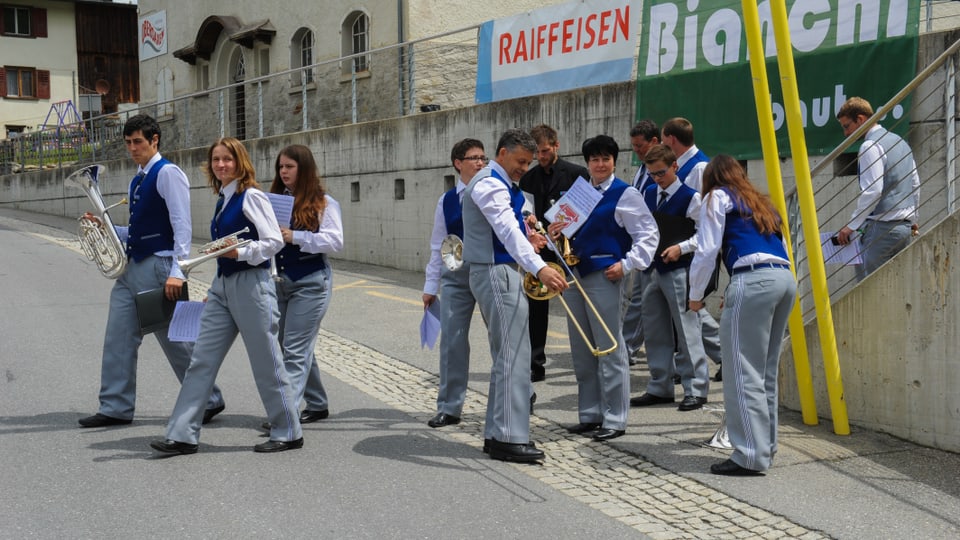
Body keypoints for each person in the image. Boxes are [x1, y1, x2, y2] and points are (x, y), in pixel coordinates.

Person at [150, 137, 302, 455]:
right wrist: (217, 288)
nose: (221, 165)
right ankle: (182, 434)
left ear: (240, 162)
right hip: (224, 286)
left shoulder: (252, 196)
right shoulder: (223, 198)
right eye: (216, 160)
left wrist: (242, 252)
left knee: (266, 362)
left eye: (227, 159)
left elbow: (273, 241)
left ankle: (288, 430)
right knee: (201, 361)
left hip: (253, 285)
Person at [78, 114, 226, 429]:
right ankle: (115, 406)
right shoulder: (139, 178)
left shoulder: (168, 173)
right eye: (128, 142)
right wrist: (106, 227)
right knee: (118, 337)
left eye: (138, 142)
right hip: (132, 268)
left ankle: (209, 399)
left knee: (177, 341)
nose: (132, 148)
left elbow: (182, 226)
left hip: (161, 266)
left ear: (154, 140)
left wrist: (179, 271)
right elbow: (139, 230)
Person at [462, 128, 567, 463]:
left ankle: (498, 433)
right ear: (503, 153)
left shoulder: (502, 183)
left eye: (528, 162)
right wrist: (540, 268)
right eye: (520, 161)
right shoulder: (491, 183)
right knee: (515, 357)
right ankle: (510, 436)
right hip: (497, 272)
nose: (524, 167)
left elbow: (511, 228)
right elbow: (506, 230)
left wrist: (532, 238)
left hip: (500, 270)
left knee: (508, 356)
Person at [688, 155, 796, 476]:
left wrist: (695, 296)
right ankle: (766, 446)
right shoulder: (761, 203)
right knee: (763, 372)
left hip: (752, 279)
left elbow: (707, 250)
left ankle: (749, 454)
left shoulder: (716, 197)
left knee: (740, 370)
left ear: (712, 178)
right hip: (783, 279)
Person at [547, 135, 658, 442]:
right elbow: (565, 234)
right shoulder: (579, 192)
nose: (599, 164)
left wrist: (627, 264)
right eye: (594, 159)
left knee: (610, 347)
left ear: (613, 161)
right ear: (587, 163)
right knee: (582, 350)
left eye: (605, 159)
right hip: (575, 274)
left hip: (605, 275)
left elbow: (649, 234)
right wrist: (554, 232)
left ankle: (615, 418)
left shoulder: (626, 194)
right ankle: (590, 414)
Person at [629, 144, 710, 412]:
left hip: (679, 269)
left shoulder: (691, 197)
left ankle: (696, 388)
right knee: (654, 330)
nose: (656, 179)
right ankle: (659, 385)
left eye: (661, 173)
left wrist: (681, 248)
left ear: (675, 166)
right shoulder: (650, 193)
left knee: (687, 331)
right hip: (652, 269)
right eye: (652, 174)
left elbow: (706, 236)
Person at [269, 144, 343, 425]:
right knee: (291, 346)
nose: (283, 171)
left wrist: (296, 237)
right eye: (280, 167)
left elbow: (335, 241)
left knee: (295, 348)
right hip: (280, 282)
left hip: (311, 282)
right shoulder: (274, 200)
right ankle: (318, 403)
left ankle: (286, 414)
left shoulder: (324, 202)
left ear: (304, 168)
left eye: (290, 166)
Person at [422, 139, 487, 428]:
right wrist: (429, 285)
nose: (480, 163)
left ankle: (521, 391)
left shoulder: (492, 191)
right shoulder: (446, 200)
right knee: (452, 340)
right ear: (458, 163)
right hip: (455, 273)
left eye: (483, 157)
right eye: (473, 158)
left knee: (504, 337)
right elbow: (438, 243)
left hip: (488, 270)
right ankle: (449, 406)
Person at [519, 124, 589, 383]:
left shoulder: (577, 174)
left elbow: (586, 209)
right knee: (536, 306)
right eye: (537, 152)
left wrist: (567, 228)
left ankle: (586, 359)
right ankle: (536, 364)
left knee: (579, 303)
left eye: (545, 151)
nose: (541, 156)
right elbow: (525, 212)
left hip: (572, 249)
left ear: (556, 146)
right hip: (541, 249)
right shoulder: (528, 178)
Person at [660, 117, 723, 377]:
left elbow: (702, 218)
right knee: (688, 311)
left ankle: (719, 356)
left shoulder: (699, 168)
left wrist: (685, 247)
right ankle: (709, 358)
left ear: (671, 140)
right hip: (678, 249)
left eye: (664, 142)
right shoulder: (686, 166)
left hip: (690, 251)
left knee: (691, 309)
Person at [835, 96, 920, 281]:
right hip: (904, 228)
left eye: (846, 126)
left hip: (881, 229)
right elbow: (914, 183)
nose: (846, 133)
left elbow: (873, 191)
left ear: (861, 119)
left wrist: (851, 225)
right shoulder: (900, 141)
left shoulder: (869, 145)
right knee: (897, 288)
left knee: (869, 289)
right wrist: (913, 219)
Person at [621, 120, 660, 362]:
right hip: (641, 243)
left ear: (654, 142)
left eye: (640, 146)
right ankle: (626, 348)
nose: (636, 150)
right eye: (633, 146)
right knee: (639, 298)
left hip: (658, 244)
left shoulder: (660, 168)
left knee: (683, 309)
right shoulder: (642, 169)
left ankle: (718, 351)